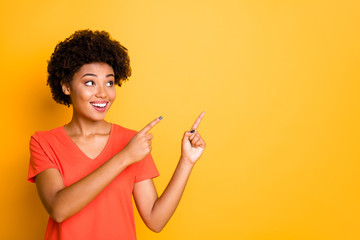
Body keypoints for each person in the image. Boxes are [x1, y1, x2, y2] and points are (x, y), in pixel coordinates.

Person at [27, 29, 206, 240]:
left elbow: (155, 220)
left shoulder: (133, 141)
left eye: (109, 82)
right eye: (90, 82)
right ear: (66, 86)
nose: (103, 93)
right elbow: (58, 208)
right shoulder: (44, 142)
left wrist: (186, 161)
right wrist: (125, 157)